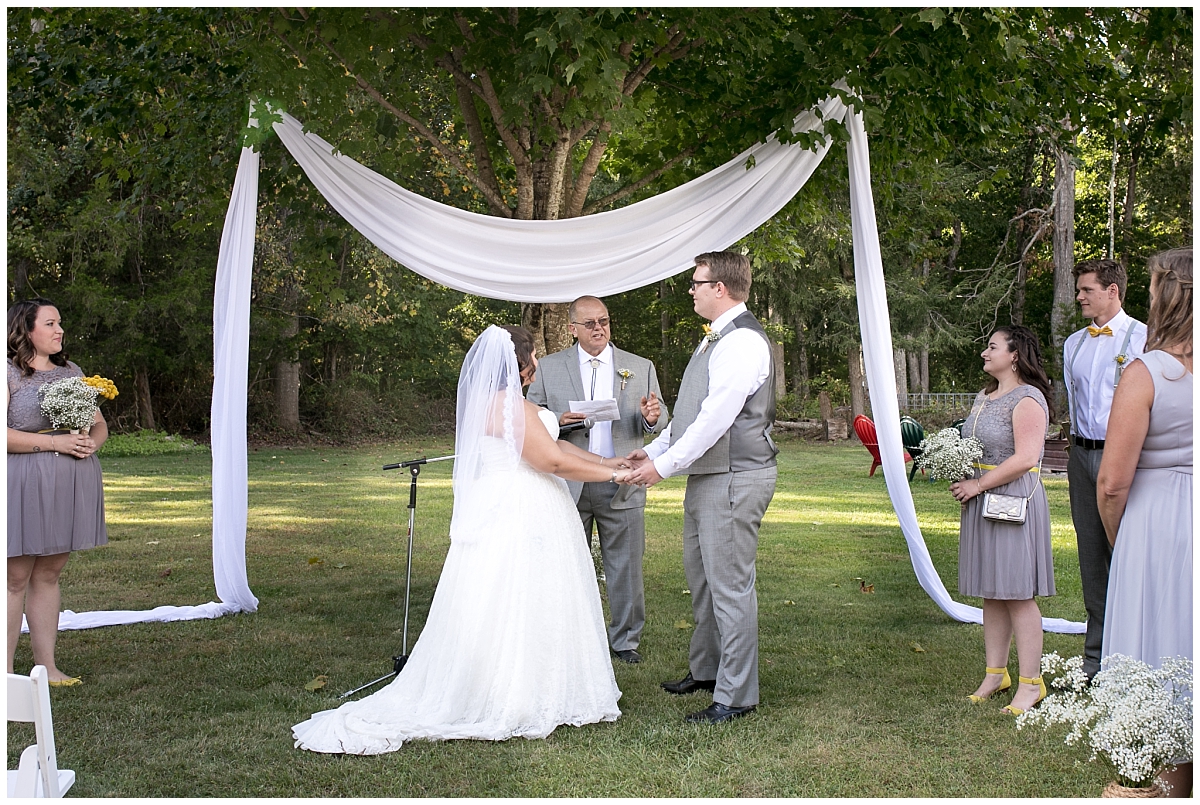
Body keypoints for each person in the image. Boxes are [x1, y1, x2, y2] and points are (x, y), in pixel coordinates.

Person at [294, 325, 634, 754]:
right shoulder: (511, 407)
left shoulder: (501, 405)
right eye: (534, 356)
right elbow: (552, 460)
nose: (537, 363)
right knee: (523, 595)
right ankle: (517, 691)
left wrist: (609, 460)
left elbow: (558, 449)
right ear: (523, 364)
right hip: (522, 509)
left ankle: (513, 680)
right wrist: (618, 474)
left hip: (507, 503)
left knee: (502, 597)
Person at [625, 251, 777, 725]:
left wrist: (663, 467)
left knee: (730, 586)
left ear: (722, 289)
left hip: (735, 476)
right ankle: (709, 670)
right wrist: (652, 452)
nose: (691, 289)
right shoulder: (714, 339)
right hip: (709, 476)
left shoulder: (744, 342)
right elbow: (691, 412)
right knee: (703, 580)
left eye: (697, 282)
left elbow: (715, 421)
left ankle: (736, 696)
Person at [526, 295, 667, 664]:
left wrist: (651, 417)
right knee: (565, 563)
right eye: (589, 323)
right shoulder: (551, 367)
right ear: (572, 328)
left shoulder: (639, 366)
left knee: (625, 565)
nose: (599, 329)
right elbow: (532, 415)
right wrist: (560, 419)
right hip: (567, 480)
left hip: (622, 479)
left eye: (604, 321)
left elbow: (659, 418)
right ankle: (567, 638)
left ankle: (625, 641)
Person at [1097, 247, 1191, 797]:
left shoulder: (1146, 372)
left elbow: (1112, 482)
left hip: (1157, 520)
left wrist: (1122, 539)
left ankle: (1166, 781)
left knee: (1160, 637)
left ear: (1166, 297)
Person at [949, 325, 1055, 716]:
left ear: (1014, 355)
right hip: (981, 496)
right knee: (991, 590)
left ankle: (1031, 683)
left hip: (1012, 498)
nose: (984, 353)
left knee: (1016, 592)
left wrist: (978, 484)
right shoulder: (984, 396)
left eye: (992, 347)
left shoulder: (1028, 398)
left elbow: (1027, 457)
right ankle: (996, 674)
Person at [7, 299, 108, 686]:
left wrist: (89, 444)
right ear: (26, 329)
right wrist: (55, 444)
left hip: (68, 482)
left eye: (60, 323)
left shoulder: (71, 372)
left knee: (49, 573)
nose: (59, 330)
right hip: (23, 482)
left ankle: (46, 668)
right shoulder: (9, 372)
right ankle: (4, 671)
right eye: (50, 323)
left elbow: (98, 424)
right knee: (15, 576)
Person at [1062, 259, 1147, 682]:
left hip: (1128, 460)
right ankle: (1093, 664)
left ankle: (1133, 659)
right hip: (1081, 456)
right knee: (1091, 555)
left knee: (1129, 552)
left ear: (1113, 291)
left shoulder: (1146, 340)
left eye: (1086, 289)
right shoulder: (1073, 344)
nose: (1079, 296)